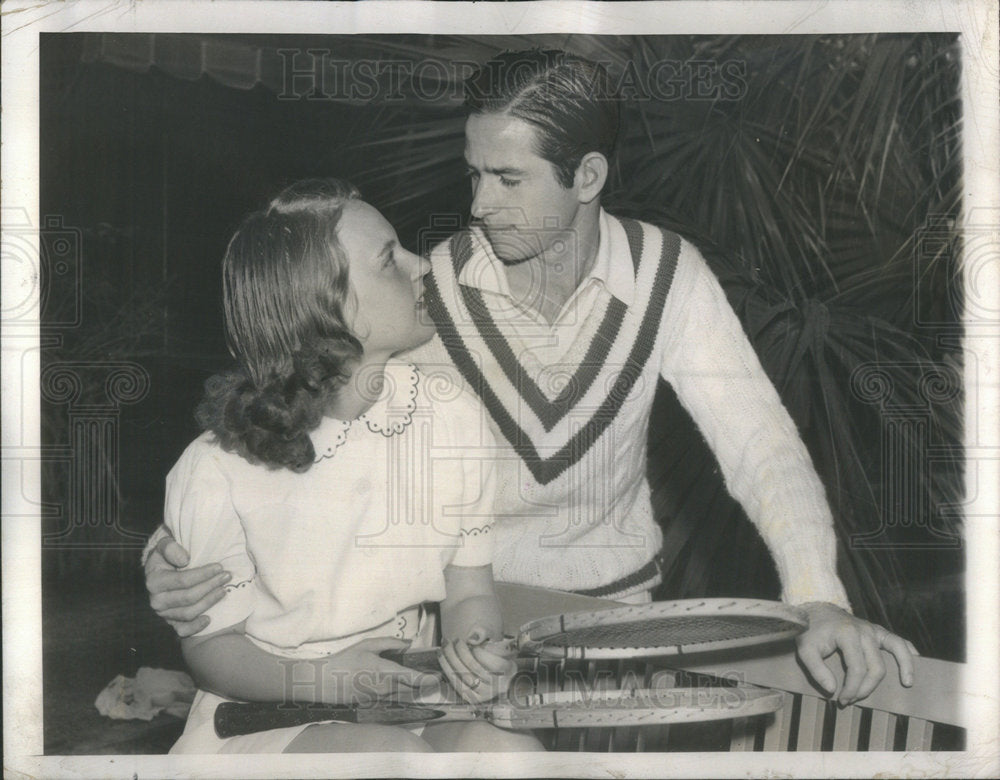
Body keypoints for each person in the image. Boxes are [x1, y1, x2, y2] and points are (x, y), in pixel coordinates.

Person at [146, 50, 916, 708]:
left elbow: (760, 442)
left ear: (586, 175)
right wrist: (182, 547)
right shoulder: (422, 294)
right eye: (474, 174)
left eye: (509, 180)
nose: (478, 206)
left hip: (616, 622)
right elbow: (304, 423)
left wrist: (818, 596)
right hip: (457, 629)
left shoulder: (668, 277)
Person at [159, 178, 542, 753]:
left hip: (402, 699)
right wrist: (326, 680)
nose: (422, 266)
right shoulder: (217, 465)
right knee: (392, 761)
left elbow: (468, 593)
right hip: (263, 713)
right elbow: (212, 653)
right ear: (324, 306)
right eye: (390, 258)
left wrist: (474, 652)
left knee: (511, 756)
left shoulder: (452, 416)